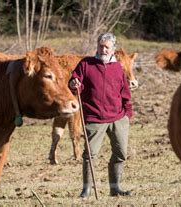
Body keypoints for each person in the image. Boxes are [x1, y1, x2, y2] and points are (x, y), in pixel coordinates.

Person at [69, 33, 133, 198]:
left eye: (107, 47)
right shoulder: (86, 64)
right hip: (94, 118)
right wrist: (74, 83)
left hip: (118, 118)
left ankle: (115, 188)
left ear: (113, 49)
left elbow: (125, 93)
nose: (103, 49)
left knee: (121, 154)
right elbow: (73, 82)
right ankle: (86, 190)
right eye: (101, 46)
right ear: (97, 46)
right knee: (90, 155)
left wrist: (127, 115)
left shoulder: (118, 67)